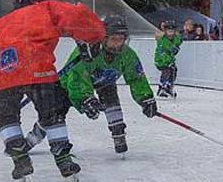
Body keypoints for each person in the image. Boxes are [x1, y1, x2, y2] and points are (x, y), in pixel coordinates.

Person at [0, 0, 105, 182]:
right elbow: (77, 18)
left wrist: (12, 75)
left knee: (5, 117)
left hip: (0, 76)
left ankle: (20, 160)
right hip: (36, 68)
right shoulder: (46, 8)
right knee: (52, 114)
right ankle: (63, 160)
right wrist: (92, 39)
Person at [25, 16, 157, 156]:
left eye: (121, 39)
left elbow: (136, 78)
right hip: (68, 86)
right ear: (104, 38)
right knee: (53, 115)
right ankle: (33, 138)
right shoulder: (88, 51)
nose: (118, 44)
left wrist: (145, 98)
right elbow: (77, 79)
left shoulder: (127, 54)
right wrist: (85, 100)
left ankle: (118, 132)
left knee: (110, 95)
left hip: (103, 82)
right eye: (114, 39)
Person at [155, 20, 183, 98]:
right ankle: (162, 87)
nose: (170, 34)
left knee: (174, 70)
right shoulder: (162, 40)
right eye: (168, 32)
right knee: (166, 70)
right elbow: (163, 52)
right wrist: (168, 62)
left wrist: (177, 47)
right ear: (165, 31)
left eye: (172, 31)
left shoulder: (175, 38)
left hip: (170, 59)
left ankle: (169, 86)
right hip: (161, 60)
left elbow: (179, 40)